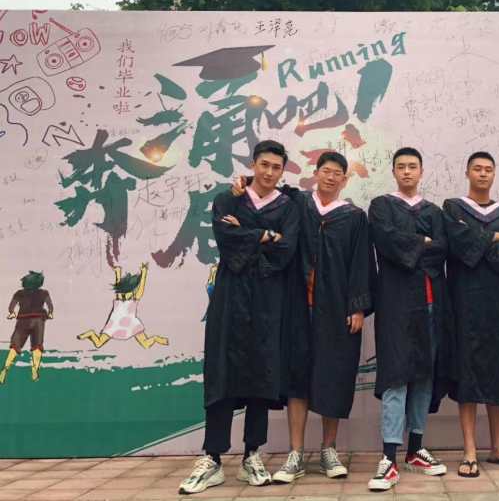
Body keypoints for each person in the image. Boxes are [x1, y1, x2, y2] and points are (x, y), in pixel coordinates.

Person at [233, 150, 372, 483]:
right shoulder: (298, 204)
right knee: (297, 378)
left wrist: (357, 306)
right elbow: (268, 189)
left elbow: (361, 264)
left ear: (344, 180)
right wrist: (244, 182)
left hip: (336, 311)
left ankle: (328, 450)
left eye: (337, 173)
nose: (331, 177)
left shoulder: (354, 217)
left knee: (333, 376)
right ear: (316, 172)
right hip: (296, 307)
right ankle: (295, 453)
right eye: (326, 171)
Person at [179, 140, 300, 494]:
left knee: (261, 372)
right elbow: (225, 238)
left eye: (276, 167)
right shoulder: (227, 199)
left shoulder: (288, 207)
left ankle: (252, 455)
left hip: (267, 299)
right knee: (222, 371)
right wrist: (264, 234)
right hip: (230, 297)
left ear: (282, 170)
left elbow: (286, 249)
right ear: (253, 164)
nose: (269, 172)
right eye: (264, 165)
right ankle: (212, 458)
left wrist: (249, 234)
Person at [366, 147, 450, 492]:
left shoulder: (434, 210)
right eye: (400, 166)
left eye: (412, 166)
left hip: (431, 302)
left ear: (421, 171)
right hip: (396, 303)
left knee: (424, 373)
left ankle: (416, 449)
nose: (406, 172)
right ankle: (389, 457)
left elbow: (442, 248)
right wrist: (422, 243)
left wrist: (418, 246)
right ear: (394, 171)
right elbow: (386, 241)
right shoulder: (381, 206)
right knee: (396, 374)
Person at [443, 151, 499, 478]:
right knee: (468, 370)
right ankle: (469, 450)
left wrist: (480, 241)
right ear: (467, 172)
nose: (482, 173)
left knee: (498, 369)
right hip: (465, 300)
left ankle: (498, 447)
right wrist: (492, 237)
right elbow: (457, 244)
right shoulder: (453, 208)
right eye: (477, 169)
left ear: (494, 174)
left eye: (488, 169)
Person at [77, 262, 168, 349]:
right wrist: (143, 273)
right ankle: (91, 333)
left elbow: (122, 285)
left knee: (99, 343)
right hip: (119, 323)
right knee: (145, 344)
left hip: (126, 324)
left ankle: (156, 338)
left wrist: (119, 272)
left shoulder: (123, 296)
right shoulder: (128, 297)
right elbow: (134, 287)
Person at [1, 271, 53, 384]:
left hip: (23, 320)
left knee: (15, 346)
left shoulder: (19, 293)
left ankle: (5, 369)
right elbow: (50, 306)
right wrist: (50, 314)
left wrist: (12, 313)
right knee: (37, 347)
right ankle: (35, 370)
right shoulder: (44, 293)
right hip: (38, 321)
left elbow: (11, 307)